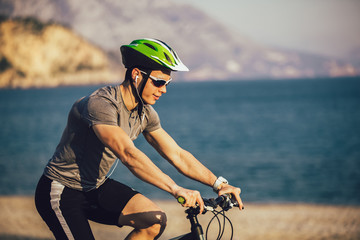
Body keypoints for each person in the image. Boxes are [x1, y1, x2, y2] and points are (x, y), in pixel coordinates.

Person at [35, 38, 244, 240]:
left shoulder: (145, 113)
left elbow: (177, 154)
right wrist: (176, 189)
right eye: (159, 82)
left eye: (167, 83)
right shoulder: (101, 104)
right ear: (136, 75)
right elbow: (128, 154)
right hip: (61, 191)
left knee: (154, 221)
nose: (163, 89)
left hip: (95, 187)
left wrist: (218, 184)